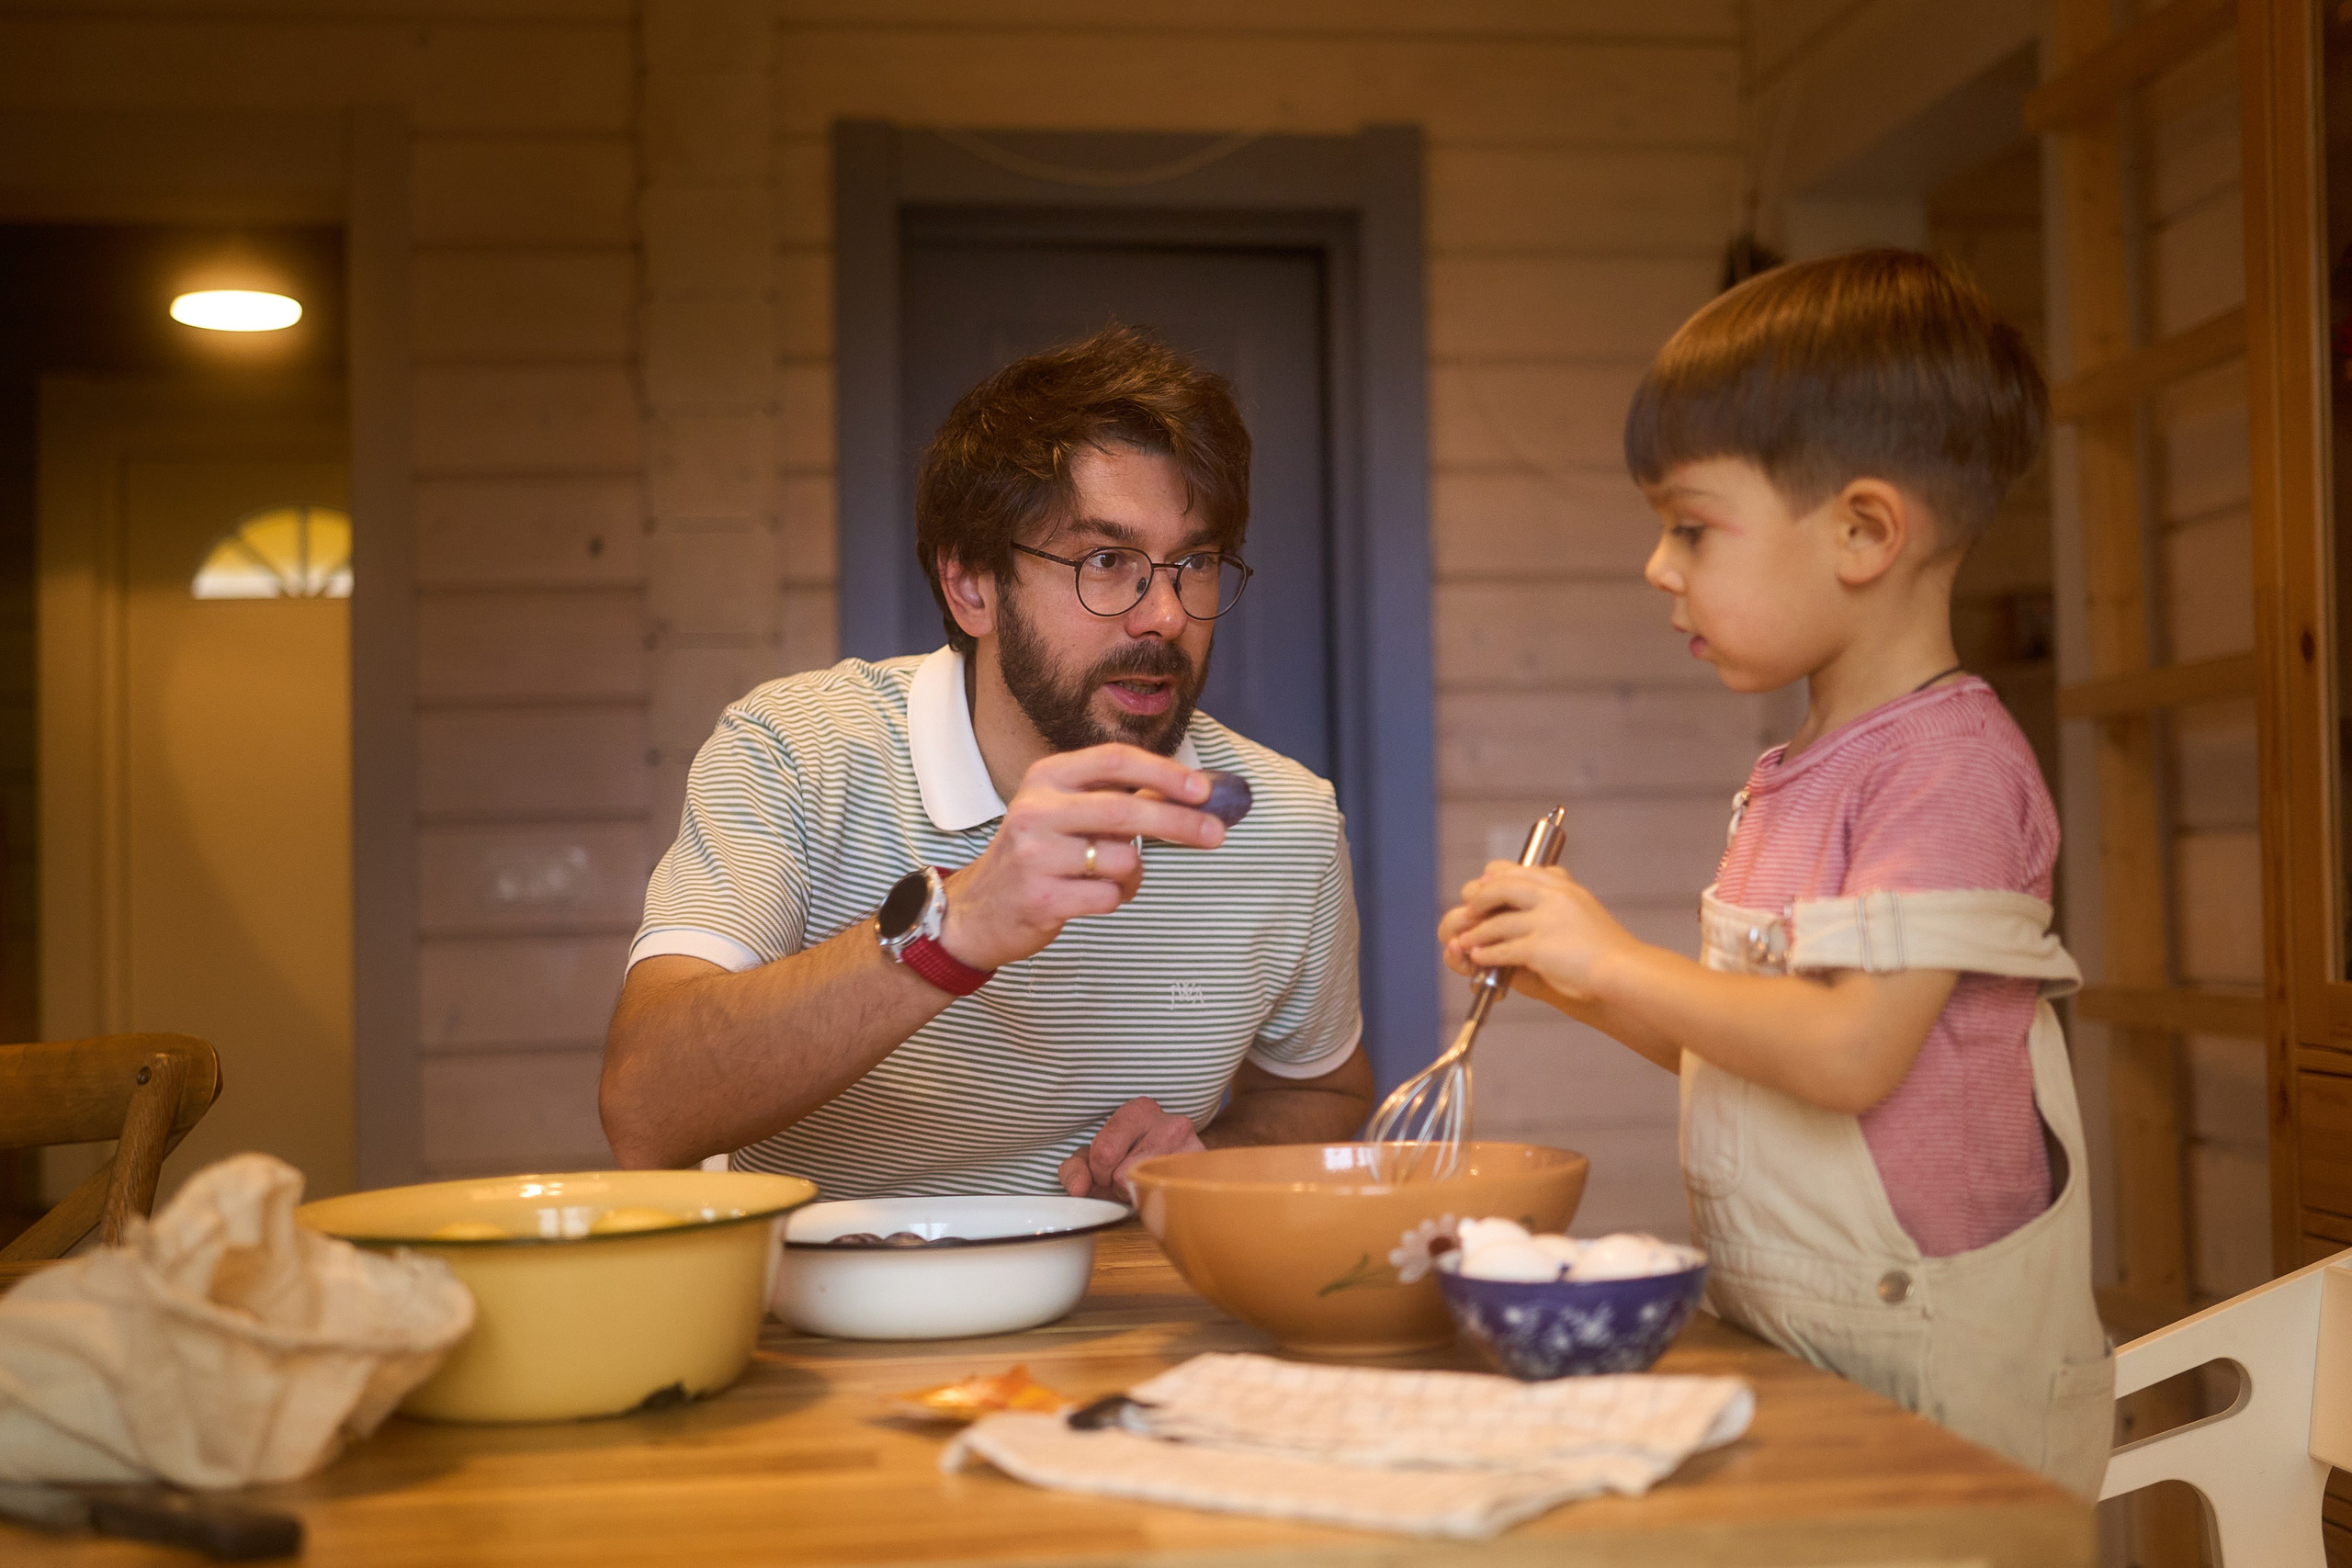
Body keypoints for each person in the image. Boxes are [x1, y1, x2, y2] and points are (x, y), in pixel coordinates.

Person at [1437, 250, 2112, 1495]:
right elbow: (1760, 1050)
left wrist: (1616, 957)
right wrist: (1570, 979)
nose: (1658, 565)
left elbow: (1851, 1051)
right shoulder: (1799, 770)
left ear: (1863, 530)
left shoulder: (1950, 766)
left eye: (1690, 525)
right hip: (1805, 1331)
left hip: (1937, 1371)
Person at [601, 325, 1372, 1201]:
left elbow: (1323, 1089)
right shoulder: (800, 750)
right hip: (831, 1320)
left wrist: (1204, 1170)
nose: (1164, 614)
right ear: (972, 586)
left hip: (1131, 1329)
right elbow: (644, 1107)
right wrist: (952, 928)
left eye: (1191, 562)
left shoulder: (1285, 820)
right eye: (1107, 561)